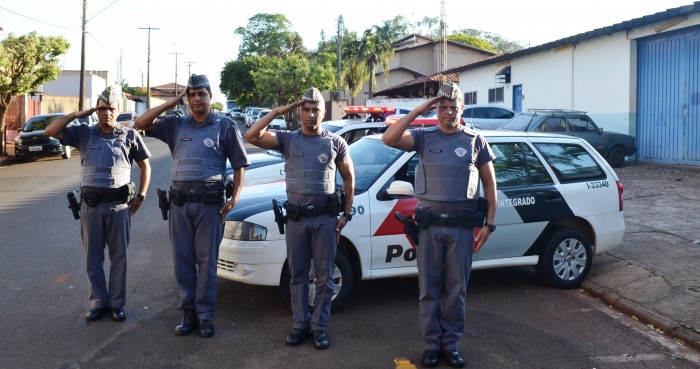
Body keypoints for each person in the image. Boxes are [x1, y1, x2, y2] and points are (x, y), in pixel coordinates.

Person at [382, 82, 497, 368]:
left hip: (461, 230)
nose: (448, 113)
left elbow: (490, 185)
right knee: (429, 289)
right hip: (429, 229)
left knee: (456, 290)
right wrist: (418, 110)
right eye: (442, 107)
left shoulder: (475, 140)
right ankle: (432, 345)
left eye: (453, 107)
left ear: (462, 109)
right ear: (436, 109)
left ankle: (452, 344)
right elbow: (389, 138)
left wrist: (489, 224)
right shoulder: (423, 138)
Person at [134, 75, 249, 338]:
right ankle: (188, 313)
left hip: (210, 206)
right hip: (180, 205)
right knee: (182, 261)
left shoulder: (225, 126)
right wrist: (171, 102)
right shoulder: (176, 125)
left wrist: (235, 197)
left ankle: (205, 316)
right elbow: (141, 123)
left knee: (207, 263)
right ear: (187, 99)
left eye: (202, 94)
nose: (197, 99)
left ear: (210, 97)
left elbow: (240, 165)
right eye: (192, 95)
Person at [244, 87, 355, 350]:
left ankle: (319, 328)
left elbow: (349, 179)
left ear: (323, 112)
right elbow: (251, 135)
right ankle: (300, 325)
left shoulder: (335, 143)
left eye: (316, 109)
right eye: (306, 109)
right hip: (296, 222)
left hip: (325, 221)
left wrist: (346, 214)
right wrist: (277, 111)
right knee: (298, 276)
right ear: (300, 112)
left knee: (325, 278)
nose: (311, 114)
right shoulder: (287, 140)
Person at [45, 86, 152, 323]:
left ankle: (116, 304)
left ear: (117, 110)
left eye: (111, 109)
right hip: (91, 208)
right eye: (102, 108)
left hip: (119, 208)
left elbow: (146, 166)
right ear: (97, 110)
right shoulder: (84, 133)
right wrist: (75, 115)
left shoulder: (129, 136)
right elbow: (50, 130)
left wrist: (141, 196)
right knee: (92, 259)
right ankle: (97, 302)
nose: (106, 113)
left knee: (119, 258)